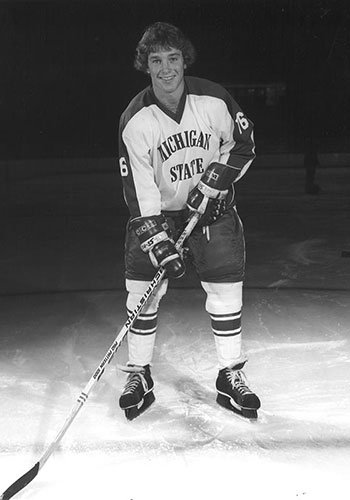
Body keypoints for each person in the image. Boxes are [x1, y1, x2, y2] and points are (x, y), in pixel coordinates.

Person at [117, 22, 261, 420]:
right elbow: (140, 188)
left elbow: (243, 145)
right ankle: (139, 373)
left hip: (212, 214)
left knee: (225, 294)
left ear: (185, 60)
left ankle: (230, 373)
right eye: (156, 60)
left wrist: (214, 181)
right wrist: (157, 240)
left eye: (173, 58)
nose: (167, 69)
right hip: (159, 217)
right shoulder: (135, 119)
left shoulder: (213, 99)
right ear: (145, 66)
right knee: (142, 294)